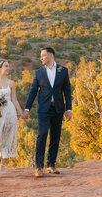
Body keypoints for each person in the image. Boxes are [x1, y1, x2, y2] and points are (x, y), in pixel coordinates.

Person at [22, 47, 72, 178]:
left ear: (51, 55)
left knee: (55, 136)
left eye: (43, 55)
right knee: (42, 134)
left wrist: (69, 109)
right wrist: (27, 108)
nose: (41, 58)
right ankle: (39, 167)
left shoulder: (63, 70)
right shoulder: (39, 72)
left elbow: (67, 91)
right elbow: (33, 91)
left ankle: (51, 164)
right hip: (43, 109)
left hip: (58, 108)